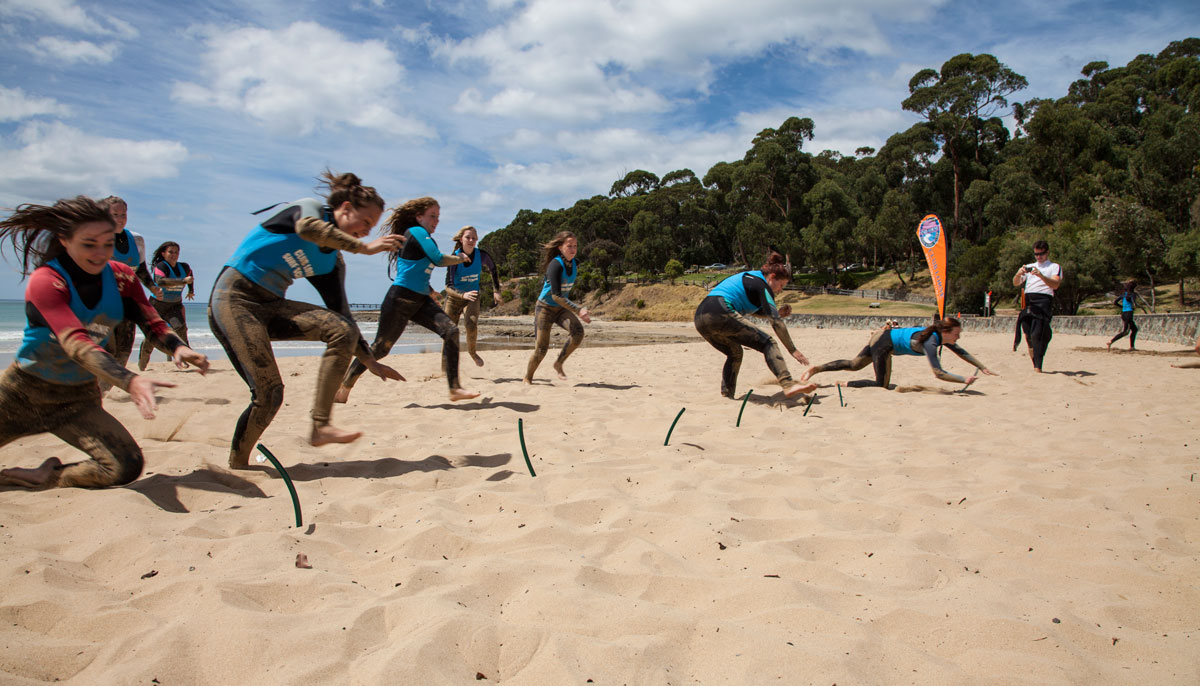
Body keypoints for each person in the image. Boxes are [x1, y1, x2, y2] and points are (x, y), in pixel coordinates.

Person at [0, 196, 208, 489]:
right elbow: (77, 344)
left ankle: (48, 476)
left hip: (76, 401)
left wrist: (178, 347)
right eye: (88, 244)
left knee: (126, 465)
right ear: (65, 240)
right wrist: (131, 381)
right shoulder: (47, 280)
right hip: (23, 394)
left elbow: (151, 321)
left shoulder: (121, 277)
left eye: (108, 244)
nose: (100, 254)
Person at [209, 171, 403, 469]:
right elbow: (308, 229)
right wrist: (364, 248)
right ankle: (239, 464)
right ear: (346, 208)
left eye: (372, 228)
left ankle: (320, 425)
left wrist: (369, 361)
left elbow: (344, 317)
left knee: (339, 329)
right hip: (234, 298)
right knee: (269, 394)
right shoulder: (309, 208)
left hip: (271, 306)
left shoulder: (331, 262)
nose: (367, 232)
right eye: (365, 222)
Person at [337, 197, 479, 402]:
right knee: (380, 348)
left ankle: (454, 387)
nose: (436, 220)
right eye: (432, 216)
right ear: (418, 216)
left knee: (451, 330)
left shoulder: (423, 237)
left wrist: (429, 289)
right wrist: (459, 258)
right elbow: (438, 259)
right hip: (400, 298)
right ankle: (345, 386)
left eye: (438, 217)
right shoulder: (416, 232)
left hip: (420, 299)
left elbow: (416, 268)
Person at [693, 252, 815, 399]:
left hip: (701, 318)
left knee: (735, 353)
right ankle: (788, 384)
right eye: (781, 285)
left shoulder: (751, 279)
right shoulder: (762, 284)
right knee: (768, 343)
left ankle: (727, 394)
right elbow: (775, 322)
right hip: (720, 311)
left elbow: (757, 312)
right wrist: (793, 349)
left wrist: (778, 312)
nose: (780, 290)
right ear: (772, 277)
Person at [801, 318, 997, 389]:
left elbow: (961, 352)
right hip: (885, 343)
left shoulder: (940, 338)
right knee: (882, 385)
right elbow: (938, 373)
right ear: (946, 332)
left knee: (854, 365)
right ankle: (844, 384)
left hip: (881, 336)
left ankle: (817, 369)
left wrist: (982, 367)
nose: (958, 337)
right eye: (957, 334)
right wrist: (963, 380)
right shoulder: (931, 341)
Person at [97, 196, 161, 378]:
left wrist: (152, 287)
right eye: (114, 214)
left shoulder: (136, 240)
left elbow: (140, 268)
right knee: (106, 353)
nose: (119, 219)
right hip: (101, 307)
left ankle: (105, 391)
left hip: (127, 306)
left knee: (123, 353)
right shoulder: (95, 240)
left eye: (123, 214)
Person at [524, 231, 591, 384]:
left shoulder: (575, 262)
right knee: (541, 349)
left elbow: (561, 298)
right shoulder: (555, 265)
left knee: (578, 332)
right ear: (560, 247)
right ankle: (527, 377)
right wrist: (579, 310)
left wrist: (578, 309)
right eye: (569, 246)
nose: (573, 249)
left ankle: (559, 363)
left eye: (575, 246)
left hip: (561, 309)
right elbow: (556, 296)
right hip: (545, 308)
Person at [443, 225, 504, 367]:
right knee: (449, 331)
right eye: (468, 237)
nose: (471, 240)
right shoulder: (454, 257)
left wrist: (496, 290)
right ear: (461, 239)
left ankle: (472, 352)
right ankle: (445, 365)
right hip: (454, 298)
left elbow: (493, 269)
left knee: (471, 324)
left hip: (473, 296)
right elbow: (448, 286)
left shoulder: (481, 255)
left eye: (474, 238)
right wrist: (462, 295)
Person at [138, 241, 195, 369]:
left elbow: (190, 276)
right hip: (157, 305)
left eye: (176, 252)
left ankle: (184, 357)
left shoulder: (184, 267)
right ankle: (142, 364)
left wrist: (191, 290)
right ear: (163, 254)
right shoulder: (161, 266)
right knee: (151, 337)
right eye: (170, 252)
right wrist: (182, 281)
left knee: (180, 330)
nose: (174, 255)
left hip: (174, 306)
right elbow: (161, 281)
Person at [1012, 240, 1063, 372]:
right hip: (1029, 300)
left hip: (1044, 299)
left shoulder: (1054, 267)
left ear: (1047, 253)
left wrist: (1041, 275)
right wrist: (1018, 274)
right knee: (1028, 334)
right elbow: (1016, 283)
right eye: (1036, 254)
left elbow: (1055, 285)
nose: (1039, 257)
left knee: (1038, 334)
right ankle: (1036, 364)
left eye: (1041, 254)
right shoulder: (1030, 266)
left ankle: (1037, 367)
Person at [1107, 280, 1148, 351]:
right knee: (1125, 332)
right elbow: (1134, 303)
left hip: (1124, 313)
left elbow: (1115, 302)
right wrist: (1136, 306)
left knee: (1134, 329)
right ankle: (1111, 342)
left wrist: (1122, 307)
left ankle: (1132, 347)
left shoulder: (1124, 294)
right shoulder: (1133, 294)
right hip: (1129, 314)